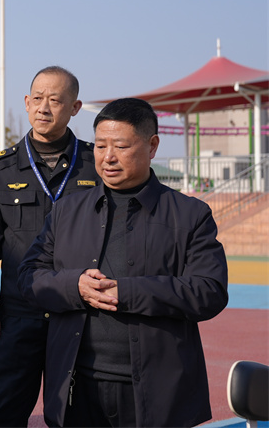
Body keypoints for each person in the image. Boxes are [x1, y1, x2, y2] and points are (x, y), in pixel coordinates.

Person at [18, 98, 228, 427]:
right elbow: (29, 277)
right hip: (76, 388)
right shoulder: (67, 211)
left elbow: (209, 291)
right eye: (101, 146)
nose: (108, 157)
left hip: (158, 394)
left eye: (121, 146)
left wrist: (128, 292)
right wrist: (75, 286)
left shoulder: (190, 215)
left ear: (152, 145)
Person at [0, 66, 99, 426]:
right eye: (38, 98)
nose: (44, 107)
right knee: (3, 413)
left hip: (79, 316)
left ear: (75, 108)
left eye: (55, 100)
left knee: (78, 415)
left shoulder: (94, 165)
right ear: (26, 102)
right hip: (17, 316)